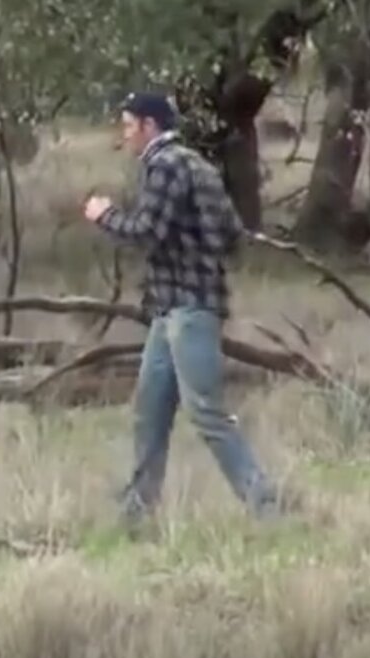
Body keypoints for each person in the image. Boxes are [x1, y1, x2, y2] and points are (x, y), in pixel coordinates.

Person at [83, 91, 280, 525]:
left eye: (129, 125)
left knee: (205, 410)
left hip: (188, 308)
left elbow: (147, 231)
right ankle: (138, 508)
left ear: (150, 126)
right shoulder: (198, 165)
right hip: (174, 307)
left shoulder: (165, 165)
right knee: (150, 409)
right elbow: (231, 233)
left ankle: (264, 502)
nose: (125, 134)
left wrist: (104, 215)